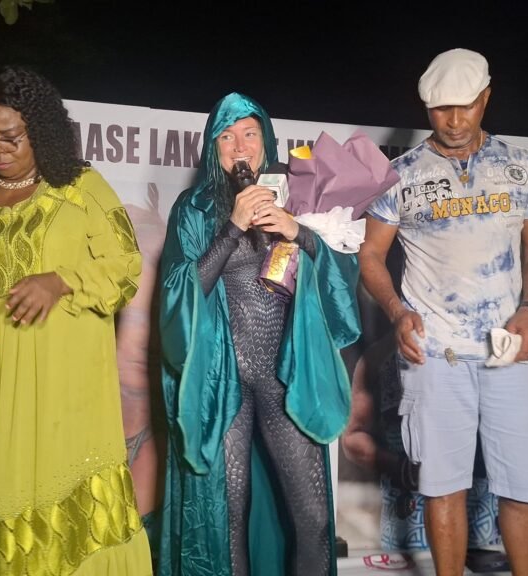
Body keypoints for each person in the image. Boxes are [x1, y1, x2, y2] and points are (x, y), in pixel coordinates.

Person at [0, 66, 150, 575]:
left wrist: (60, 280)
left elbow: (125, 265)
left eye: (10, 137)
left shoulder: (80, 189)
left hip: (67, 387)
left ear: (39, 131)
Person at [359, 48, 528, 576]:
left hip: (510, 348)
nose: (453, 121)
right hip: (436, 352)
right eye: (440, 110)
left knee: (525, 485)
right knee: (442, 483)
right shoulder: (398, 174)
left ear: (485, 99)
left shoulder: (522, 167)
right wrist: (399, 313)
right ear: (426, 110)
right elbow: (371, 257)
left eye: (465, 107)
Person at [158, 92, 361, 576]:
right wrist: (232, 228)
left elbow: (340, 286)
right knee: (227, 519)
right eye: (226, 137)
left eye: (249, 133)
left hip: (284, 378)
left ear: (266, 139)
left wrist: (301, 233)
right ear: (213, 148)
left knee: (311, 518)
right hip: (222, 380)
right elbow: (178, 294)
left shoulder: (299, 193)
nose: (239, 146)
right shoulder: (195, 207)